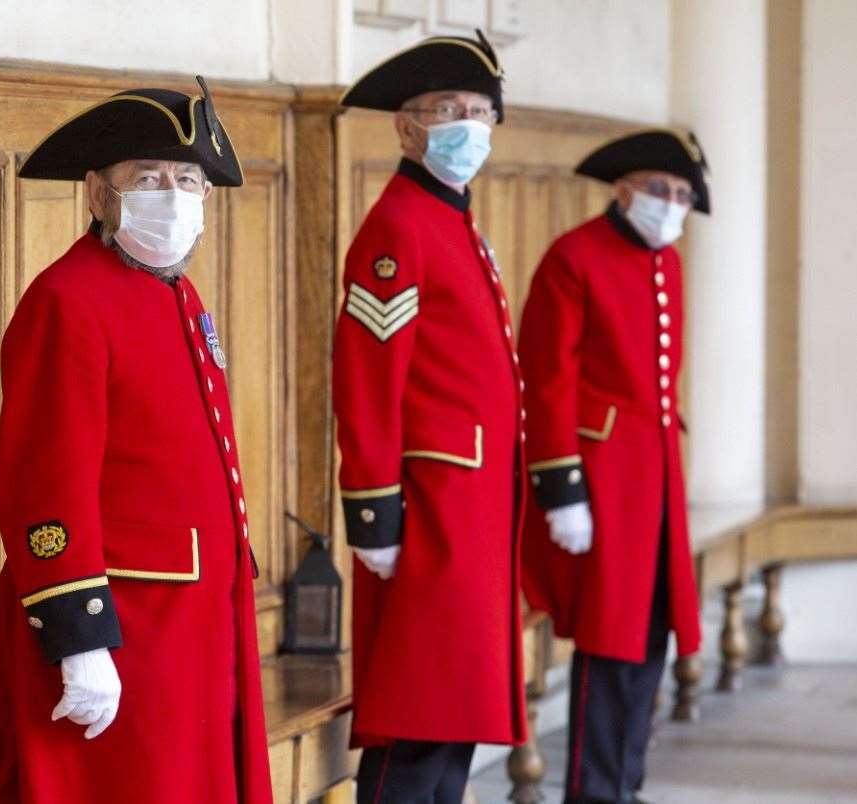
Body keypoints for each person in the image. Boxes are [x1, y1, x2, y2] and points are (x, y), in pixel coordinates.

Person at [0, 78, 273, 804]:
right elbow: (43, 480)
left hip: (194, 621)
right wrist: (79, 635)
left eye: (188, 181)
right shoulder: (67, 300)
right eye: (149, 179)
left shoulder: (178, 292)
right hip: (125, 622)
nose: (173, 196)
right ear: (100, 194)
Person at [332, 31, 528, 804]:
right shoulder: (398, 227)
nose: (468, 126)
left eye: (480, 111)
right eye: (449, 109)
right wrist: (374, 510)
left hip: (471, 509)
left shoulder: (452, 220)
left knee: (454, 718)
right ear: (406, 127)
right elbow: (368, 377)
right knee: (416, 720)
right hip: (428, 510)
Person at [517, 129, 711, 804]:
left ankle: (626, 787)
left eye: (683, 195)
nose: (671, 205)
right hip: (599, 476)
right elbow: (546, 380)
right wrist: (561, 484)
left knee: (651, 633)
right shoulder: (574, 257)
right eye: (660, 189)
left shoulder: (669, 264)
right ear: (623, 188)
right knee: (608, 641)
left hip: (654, 475)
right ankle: (596, 793)